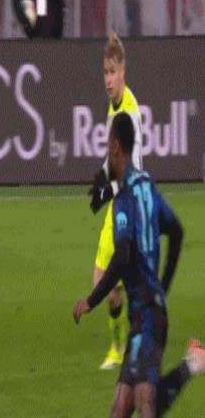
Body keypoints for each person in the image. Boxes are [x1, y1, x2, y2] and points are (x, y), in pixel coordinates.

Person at [74, 112, 205, 417]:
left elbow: (122, 256)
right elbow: (177, 231)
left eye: (108, 144)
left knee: (146, 404)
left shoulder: (125, 198)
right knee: (121, 410)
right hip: (144, 314)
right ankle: (192, 363)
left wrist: (92, 300)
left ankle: (192, 364)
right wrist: (163, 286)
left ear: (115, 147)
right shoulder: (147, 186)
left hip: (148, 316)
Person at [89, 32, 143, 370]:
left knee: (120, 285)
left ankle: (129, 347)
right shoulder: (113, 106)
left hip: (132, 205)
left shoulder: (130, 116)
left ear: (123, 71)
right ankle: (117, 347)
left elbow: (131, 171)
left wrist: (106, 190)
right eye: (105, 73)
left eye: (113, 72)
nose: (108, 80)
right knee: (102, 282)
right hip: (118, 204)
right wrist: (103, 174)